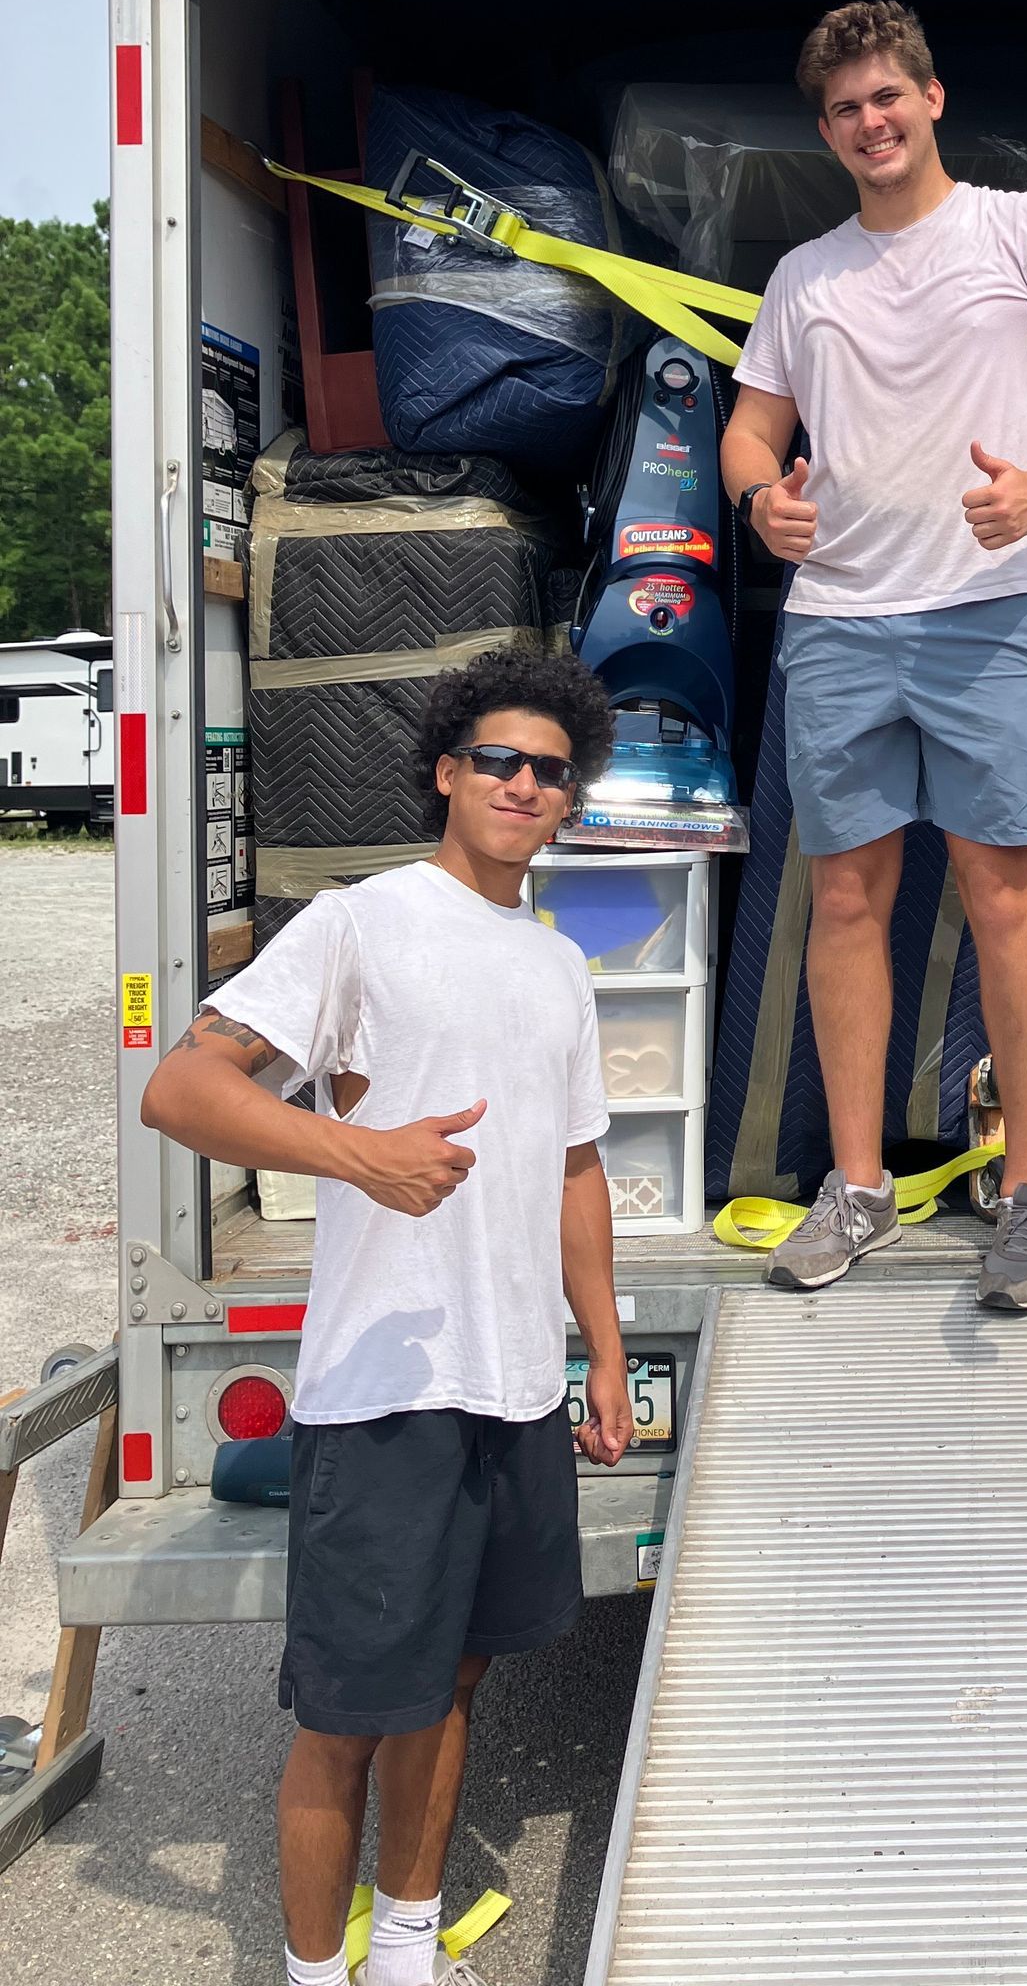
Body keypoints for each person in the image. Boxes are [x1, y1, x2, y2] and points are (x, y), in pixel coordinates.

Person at [141, 650, 632, 1986]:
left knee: (460, 1682)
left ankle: (405, 1949)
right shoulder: (362, 924)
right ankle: (316, 1974)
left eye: (549, 769)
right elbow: (182, 1092)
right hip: (383, 1397)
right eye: (499, 761)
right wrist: (360, 1154)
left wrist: (600, 1354)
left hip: (515, 1386)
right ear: (446, 773)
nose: (525, 785)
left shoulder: (556, 968)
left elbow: (576, 1171)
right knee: (351, 1717)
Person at [721, 0, 1027, 1310]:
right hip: (841, 620)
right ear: (827, 130)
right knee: (848, 901)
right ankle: (856, 1186)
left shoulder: (1022, 229)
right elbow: (752, 436)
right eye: (848, 107)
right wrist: (762, 501)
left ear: (933, 99)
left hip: (995, 614)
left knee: (1003, 898)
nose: (873, 121)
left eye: (890, 97)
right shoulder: (805, 277)